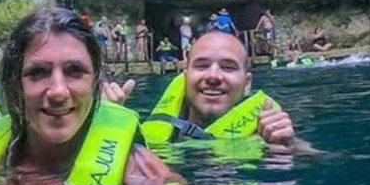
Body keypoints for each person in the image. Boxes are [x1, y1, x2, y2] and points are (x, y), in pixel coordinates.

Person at [0, 7, 209, 185]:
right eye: (38, 73)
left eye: (75, 71)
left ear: (95, 82)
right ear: (16, 86)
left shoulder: (134, 166)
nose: (58, 91)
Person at [106, 30, 297, 148]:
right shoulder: (141, 139)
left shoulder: (266, 139)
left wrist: (289, 145)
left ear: (247, 83)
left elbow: (314, 157)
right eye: (202, 66)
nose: (213, 76)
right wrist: (101, 125)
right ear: (185, 75)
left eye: (228, 67)